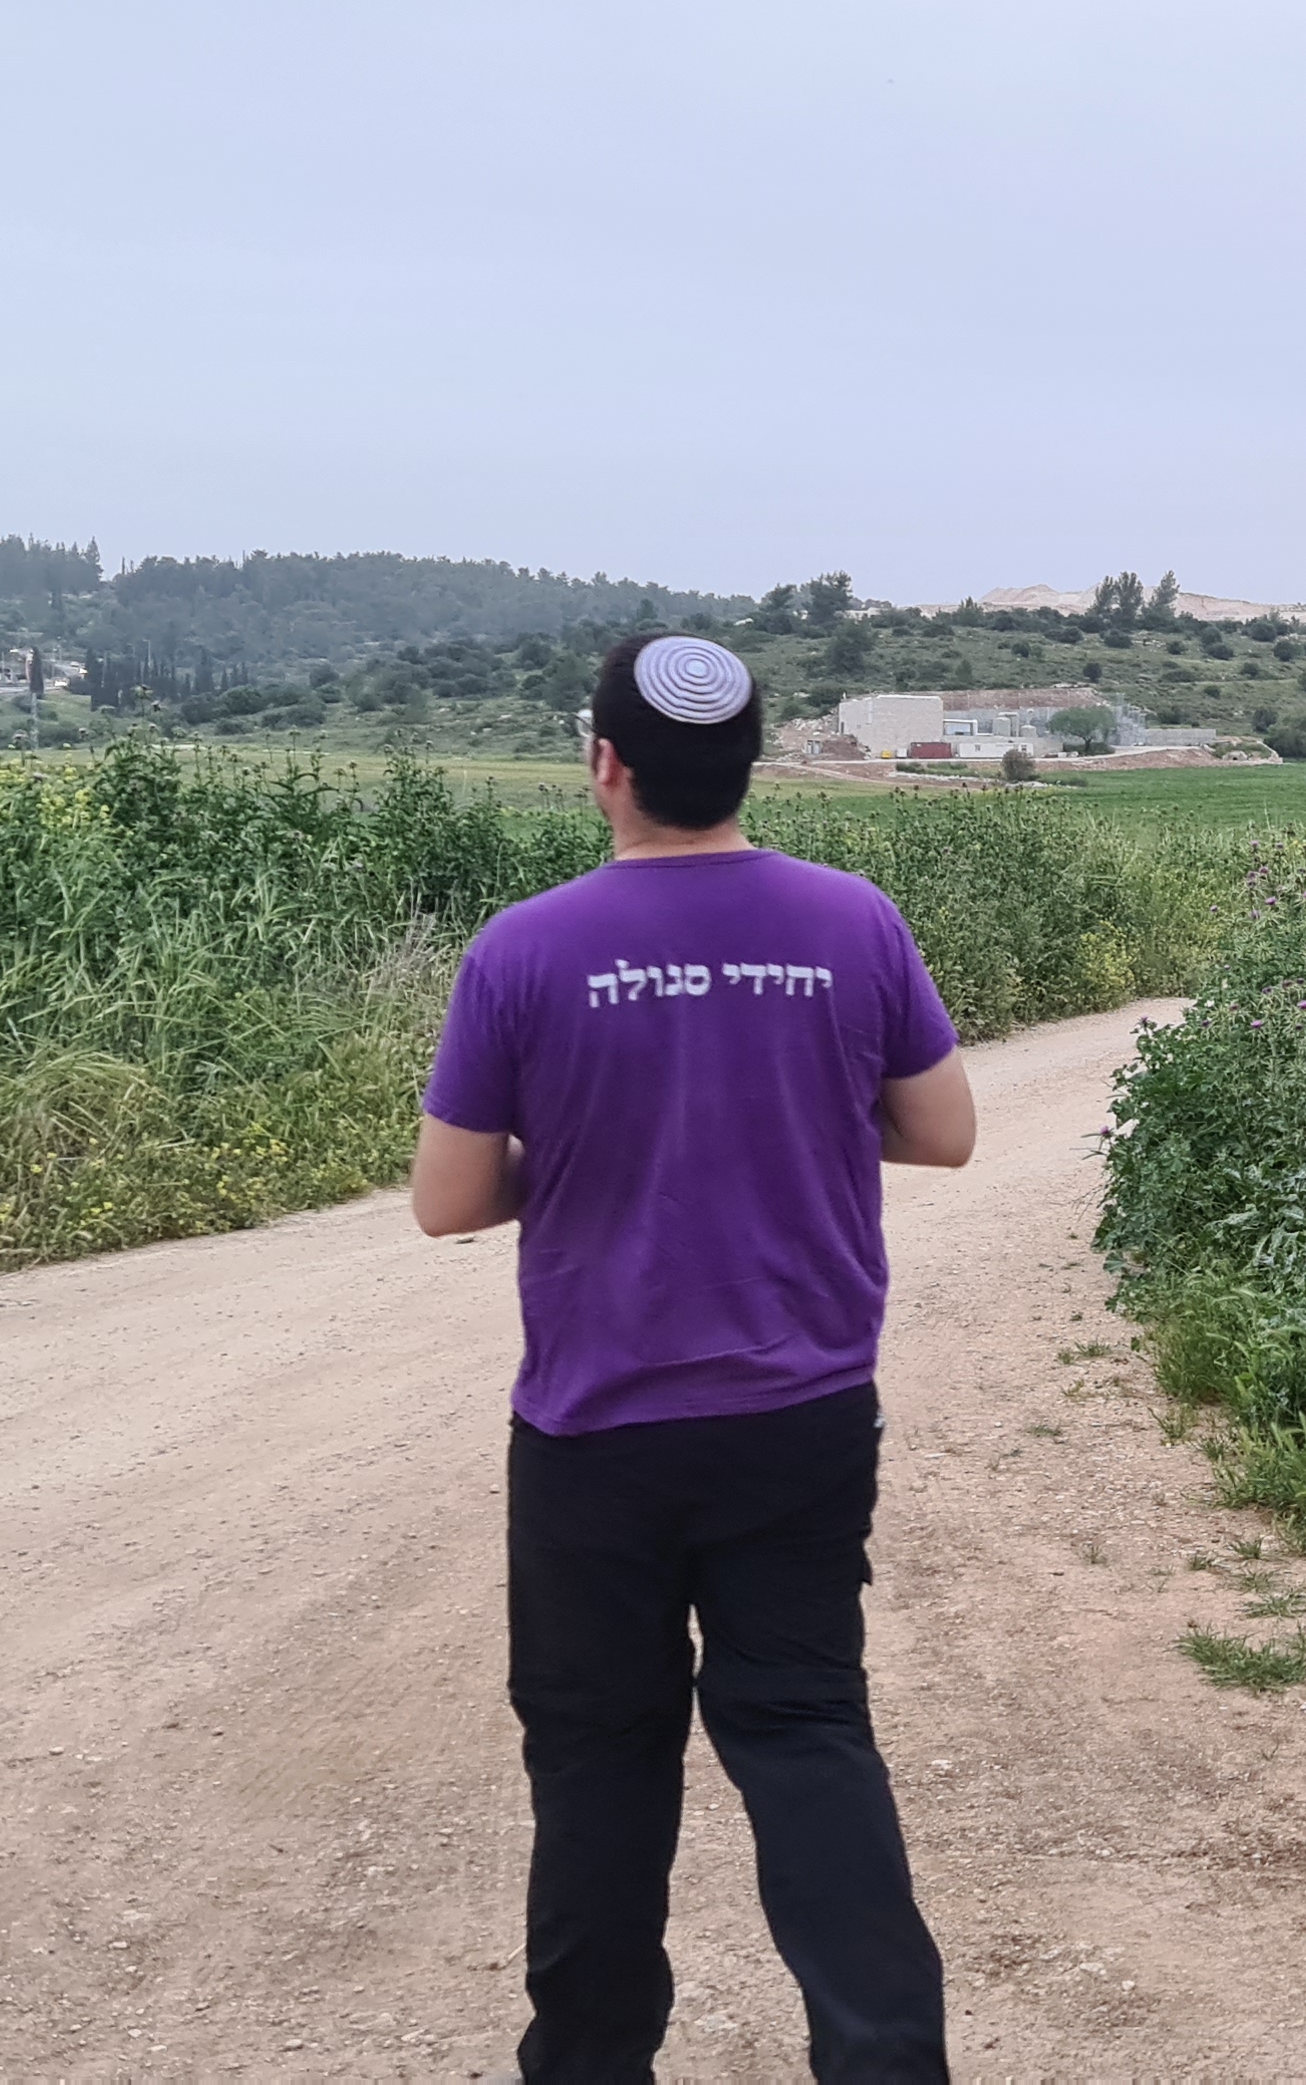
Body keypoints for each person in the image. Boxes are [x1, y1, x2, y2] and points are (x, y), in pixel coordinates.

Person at [410, 632, 977, 2084]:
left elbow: (449, 1201)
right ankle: (886, 2061)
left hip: (596, 1428)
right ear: (746, 765)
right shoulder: (853, 920)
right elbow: (943, 1132)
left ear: (604, 763)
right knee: (805, 1724)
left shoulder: (524, 949)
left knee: (598, 1753)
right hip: (802, 1410)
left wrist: (584, 1148)